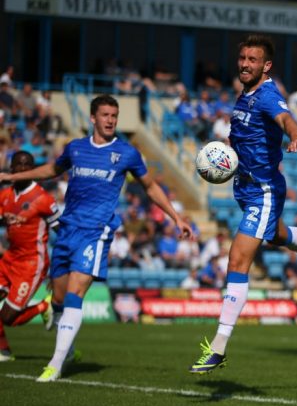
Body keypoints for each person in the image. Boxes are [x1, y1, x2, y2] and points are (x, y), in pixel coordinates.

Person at [0, 94, 194, 382]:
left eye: (114, 116)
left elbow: (151, 187)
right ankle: (67, 349)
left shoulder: (126, 153)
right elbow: (52, 170)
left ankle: (54, 364)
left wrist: (176, 218)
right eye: (105, 115)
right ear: (92, 118)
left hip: (96, 231)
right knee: (60, 298)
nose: (110, 120)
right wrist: (15, 177)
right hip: (67, 231)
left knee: (76, 294)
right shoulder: (75, 148)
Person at [188, 35, 297, 373]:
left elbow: (286, 119)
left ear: (266, 65)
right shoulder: (245, 95)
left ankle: (218, 347)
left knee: (238, 259)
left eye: (252, 59)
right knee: (276, 235)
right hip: (245, 188)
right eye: (242, 57)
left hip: (264, 191)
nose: (245, 63)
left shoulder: (268, 95)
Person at [0, 152, 60, 361]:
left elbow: (62, 232)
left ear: (34, 169)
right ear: (11, 168)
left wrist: (59, 267)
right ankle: (4, 351)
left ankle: (44, 306)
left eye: (27, 165)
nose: (23, 169)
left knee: (8, 318)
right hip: (9, 259)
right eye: (18, 165)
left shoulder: (43, 199)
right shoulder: (5, 196)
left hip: (31, 264)